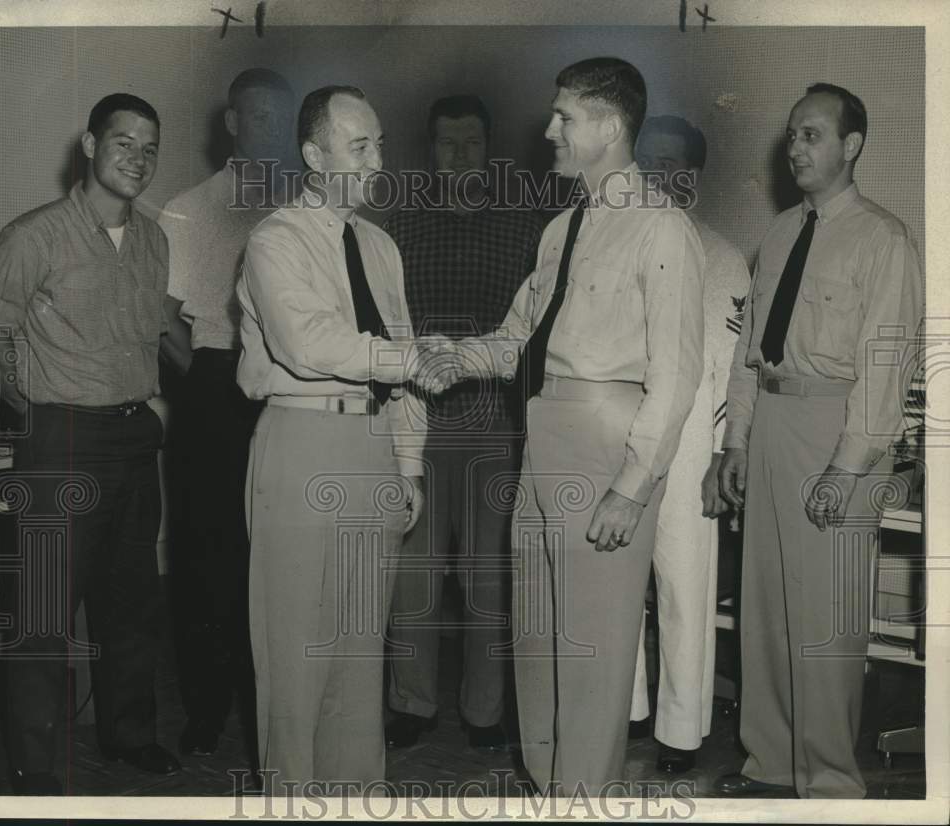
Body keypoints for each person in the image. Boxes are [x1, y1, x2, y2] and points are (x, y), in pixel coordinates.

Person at [438, 57, 705, 796]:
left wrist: (632, 485)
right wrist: (450, 357)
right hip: (544, 435)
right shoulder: (559, 228)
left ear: (611, 126)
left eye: (565, 117)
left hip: (606, 440)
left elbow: (678, 377)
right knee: (538, 635)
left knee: (592, 645)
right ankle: (547, 782)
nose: (549, 129)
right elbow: (518, 337)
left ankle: (583, 796)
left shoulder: (661, 229)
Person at [236, 85, 445, 794]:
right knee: (296, 652)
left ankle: (358, 797)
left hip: (373, 446)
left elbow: (403, 345)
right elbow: (308, 343)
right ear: (313, 154)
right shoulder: (275, 240)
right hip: (301, 443)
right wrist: (408, 361)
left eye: (380, 143)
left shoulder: (381, 246)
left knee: (360, 652)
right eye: (360, 146)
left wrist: (408, 464)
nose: (378, 161)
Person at [715, 83, 923, 799]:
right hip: (772, 424)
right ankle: (770, 765)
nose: (796, 148)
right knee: (764, 608)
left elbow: (885, 370)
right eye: (792, 136)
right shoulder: (777, 234)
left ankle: (830, 783)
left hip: (838, 432)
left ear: (851, 145)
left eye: (811, 135)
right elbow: (751, 350)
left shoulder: (883, 238)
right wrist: (735, 441)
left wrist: (846, 465)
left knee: (826, 620)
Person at [0, 93, 179, 794]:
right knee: (41, 614)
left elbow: (152, 336)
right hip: (60, 436)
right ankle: (35, 764)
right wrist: (31, 407)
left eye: (150, 147)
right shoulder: (33, 235)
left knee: (132, 601)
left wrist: (161, 409)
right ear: (90, 145)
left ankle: (129, 735)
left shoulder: (155, 239)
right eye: (124, 142)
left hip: (132, 438)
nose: (138, 158)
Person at [382, 95, 543, 752]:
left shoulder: (525, 228)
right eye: (446, 144)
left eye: (470, 143)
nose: (458, 156)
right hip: (415, 426)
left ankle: (484, 712)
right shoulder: (400, 229)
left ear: (489, 148)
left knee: (488, 577)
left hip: (493, 430)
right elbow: (386, 329)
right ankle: (410, 703)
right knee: (413, 578)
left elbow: (532, 336)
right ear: (431, 149)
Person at [158, 68, 293, 760]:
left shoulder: (308, 207)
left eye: (281, 118)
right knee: (205, 555)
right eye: (257, 118)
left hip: (291, 391)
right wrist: (212, 383)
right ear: (234, 123)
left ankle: (271, 707)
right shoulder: (186, 209)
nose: (269, 130)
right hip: (214, 387)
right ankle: (206, 709)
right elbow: (164, 322)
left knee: (279, 556)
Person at [629, 115, 750, 773]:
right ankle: (626, 712)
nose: (664, 179)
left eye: (679, 167)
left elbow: (735, 365)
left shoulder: (723, 255)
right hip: (621, 436)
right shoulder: (614, 244)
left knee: (683, 587)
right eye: (653, 163)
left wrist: (723, 456)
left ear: (695, 179)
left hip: (693, 443)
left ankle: (680, 731)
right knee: (617, 581)